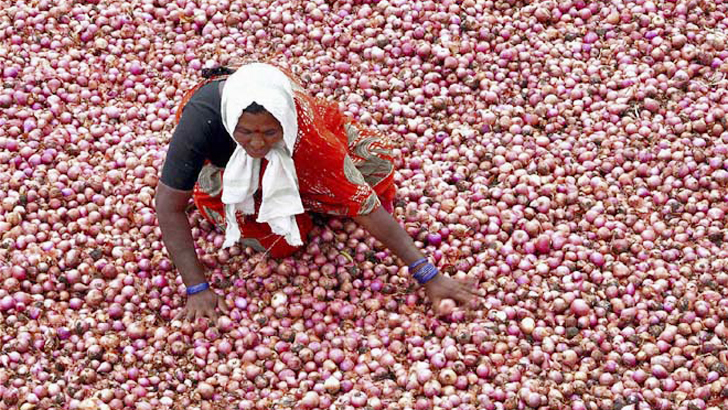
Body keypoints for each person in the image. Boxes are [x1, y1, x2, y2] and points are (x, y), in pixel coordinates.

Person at [155, 62, 480, 322]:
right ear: (231, 122)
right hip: (226, 168)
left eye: (269, 132)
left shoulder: (305, 132)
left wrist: (428, 274)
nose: (257, 142)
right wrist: (196, 287)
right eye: (246, 132)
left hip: (300, 149)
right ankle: (268, 194)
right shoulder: (201, 122)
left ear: (285, 122)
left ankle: (301, 189)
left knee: (376, 163)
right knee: (280, 241)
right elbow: (168, 205)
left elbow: (363, 204)